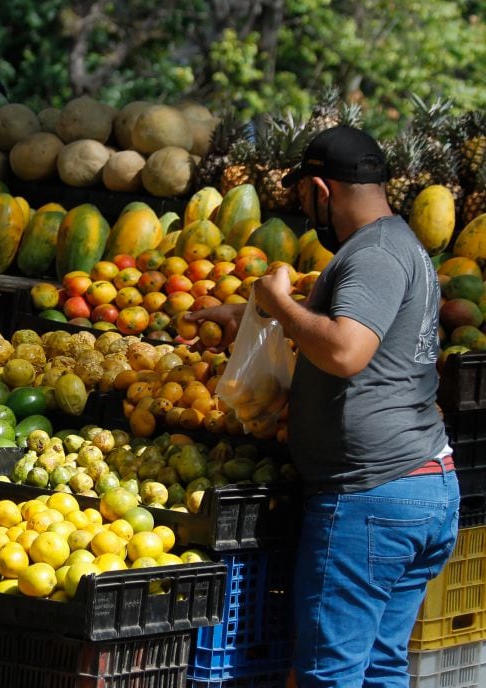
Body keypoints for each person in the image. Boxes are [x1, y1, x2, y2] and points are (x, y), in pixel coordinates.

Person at [188, 125, 459, 687]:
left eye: (302, 196)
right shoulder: (400, 245)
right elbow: (351, 339)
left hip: (371, 499)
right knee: (380, 668)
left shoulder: (375, 255)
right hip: (415, 487)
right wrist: (250, 320)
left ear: (320, 189)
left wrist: (279, 300)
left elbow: (343, 349)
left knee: (327, 676)